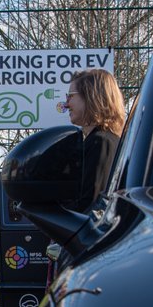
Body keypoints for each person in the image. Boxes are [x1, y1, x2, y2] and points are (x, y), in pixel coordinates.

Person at [59, 68, 128, 212]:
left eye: (70, 96)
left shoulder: (101, 142)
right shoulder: (103, 140)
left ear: (91, 97)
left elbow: (92, 204)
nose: (66, 103)